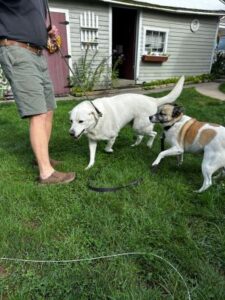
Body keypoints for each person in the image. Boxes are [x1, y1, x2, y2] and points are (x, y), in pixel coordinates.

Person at [0, 0, 75, 184]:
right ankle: (46, 173)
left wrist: (46, 31)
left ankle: (42, 157)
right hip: (16, 49)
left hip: (37, 53)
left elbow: (27, 16)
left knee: (48, 109)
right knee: (38, 113)